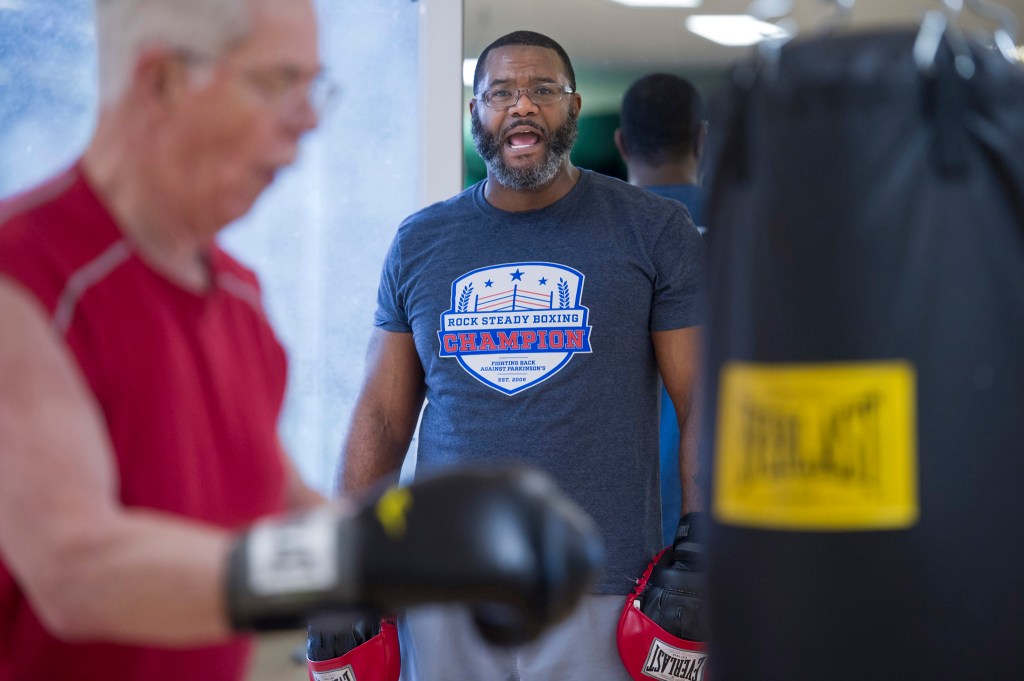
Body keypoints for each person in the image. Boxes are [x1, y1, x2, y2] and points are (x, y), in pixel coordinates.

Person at [0, 4, 601, 680]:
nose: (309, 119)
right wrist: (361, 562)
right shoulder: (26, 279)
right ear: (160, 81)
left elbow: (272, 503)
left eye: (312, 86)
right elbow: (76, 571)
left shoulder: (236, 297)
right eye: (276, 82)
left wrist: (442, 534)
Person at [340, 30, 706, 681]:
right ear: (475, 112)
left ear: (573, 107)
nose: (523, 106)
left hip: (598, 583)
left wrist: (701, 538)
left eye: (543, 89)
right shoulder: (421, 241)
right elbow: (382, 416)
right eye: (501, 92)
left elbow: (703, 398)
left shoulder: (652, 229)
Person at [615, 72, 708, 546]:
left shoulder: (599, 235)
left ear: (621, 143)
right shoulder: (756, 229)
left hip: (624, 517)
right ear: (701, 140)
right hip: (729, 510)